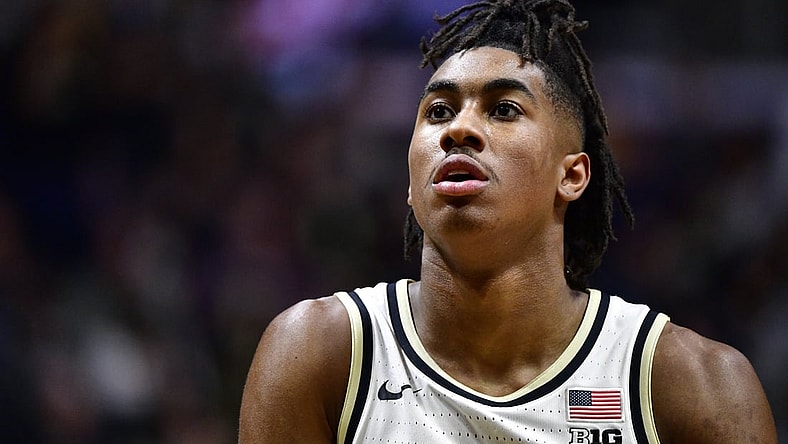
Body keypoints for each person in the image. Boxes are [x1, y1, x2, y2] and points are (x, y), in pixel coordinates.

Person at [238, 0, 777, 442]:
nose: (458, 131)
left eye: (503, 110)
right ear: (410, 183)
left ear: (572, 176)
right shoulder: (318, 356)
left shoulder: (693, 387)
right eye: (438, 111)